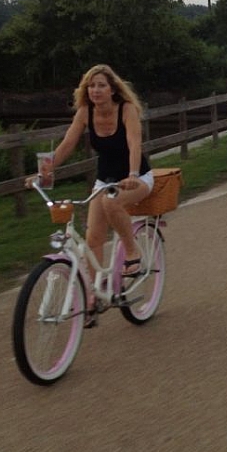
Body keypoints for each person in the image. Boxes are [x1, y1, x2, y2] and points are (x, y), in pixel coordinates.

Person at [28, 65, 154, 324]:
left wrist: (131, 174)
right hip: (104, 179)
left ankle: (132, 253)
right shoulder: (85, 112)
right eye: (91, 86)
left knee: (111, 203)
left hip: (137, 177)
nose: (95, 90)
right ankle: (93, 296)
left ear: (113, 89)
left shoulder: (126, 110)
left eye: (101, 85)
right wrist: (44, 174)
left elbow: (134, 142)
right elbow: (66, 145)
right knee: (92, 236)